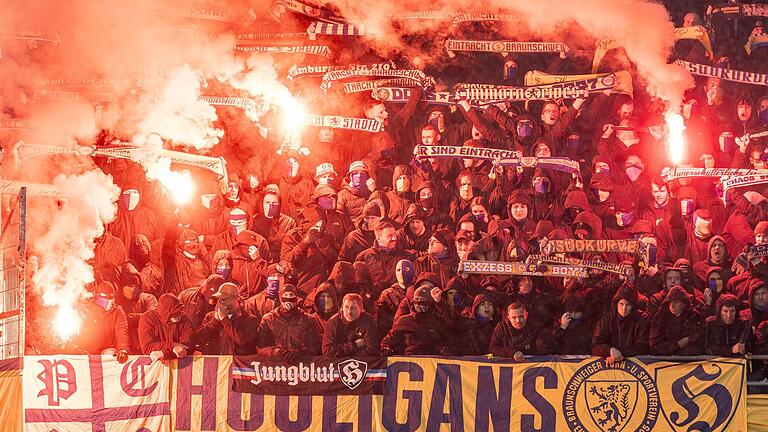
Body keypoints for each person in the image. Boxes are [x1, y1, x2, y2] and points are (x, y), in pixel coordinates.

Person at [380, 286, 453, 356]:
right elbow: (389, 340)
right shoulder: (404, 321)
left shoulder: (437, 321)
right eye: (416, 300)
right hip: (410, 361)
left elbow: (448, 339)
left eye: (423, 302)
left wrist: (448, 350)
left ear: (430, 304)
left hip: (431, 362)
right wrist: (385, 348)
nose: (419, 305)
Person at [256, 285, 322, 359]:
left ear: (297, 298)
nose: (288, 299)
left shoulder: (308, 320)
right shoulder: (268, 319)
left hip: (301, 364)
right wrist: (277, 352)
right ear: (280, 298)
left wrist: (301, 352)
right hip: (275, 365)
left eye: (291, 295)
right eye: (285, 295)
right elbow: (260, 348)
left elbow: (315, 348)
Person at [195, 282, 260, 355]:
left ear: (235, 299)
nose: (220, 303)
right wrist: (215, 321)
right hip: (216, 364)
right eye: (219, 299)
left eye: (223, 299)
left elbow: (242, 341)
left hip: (237, 364)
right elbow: (198, 339)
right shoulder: (210, 317)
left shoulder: (250, 319)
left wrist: (224, 319)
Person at [72, 281, 130, 361]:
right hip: (87, 351)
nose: (110, 302)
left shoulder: (118, 311)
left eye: (112, 299)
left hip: (106, 350)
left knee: (111, 354)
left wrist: (123, 349)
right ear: (98, 298)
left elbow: (122, 330)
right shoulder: (88, 309)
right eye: (107, 299)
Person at [592, 285, 649, 364]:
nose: (624, 308)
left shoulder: (643, 319)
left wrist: (618, 353)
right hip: (609, 365)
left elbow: (642, 347)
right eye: (621, 304)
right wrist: (609, 350)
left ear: (633, 306)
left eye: (628, 304)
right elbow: (596, 345)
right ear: (616, 304)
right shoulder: (606, 319)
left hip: (635, 365)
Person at [322, 293, 380, 357]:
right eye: (346, 307)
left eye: (353, 308)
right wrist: (355, 345)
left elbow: (372, 351)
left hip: (361, 362)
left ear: (361, 310)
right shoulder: (332, 322)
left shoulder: (369, 321)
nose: (349, 312)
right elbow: (327, 352)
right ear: (342, 308)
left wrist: (348, 356)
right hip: (337, 362)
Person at [139, 293, 193, 361]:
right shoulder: (147, 318)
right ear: (165, 312)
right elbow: (147, 347)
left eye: (180, 310)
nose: (179, 316)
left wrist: (165, 353)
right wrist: (172, 345)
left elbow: (186, 346)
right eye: (175, 313)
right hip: (155, 366)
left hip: (179, 364)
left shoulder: (184, 318)